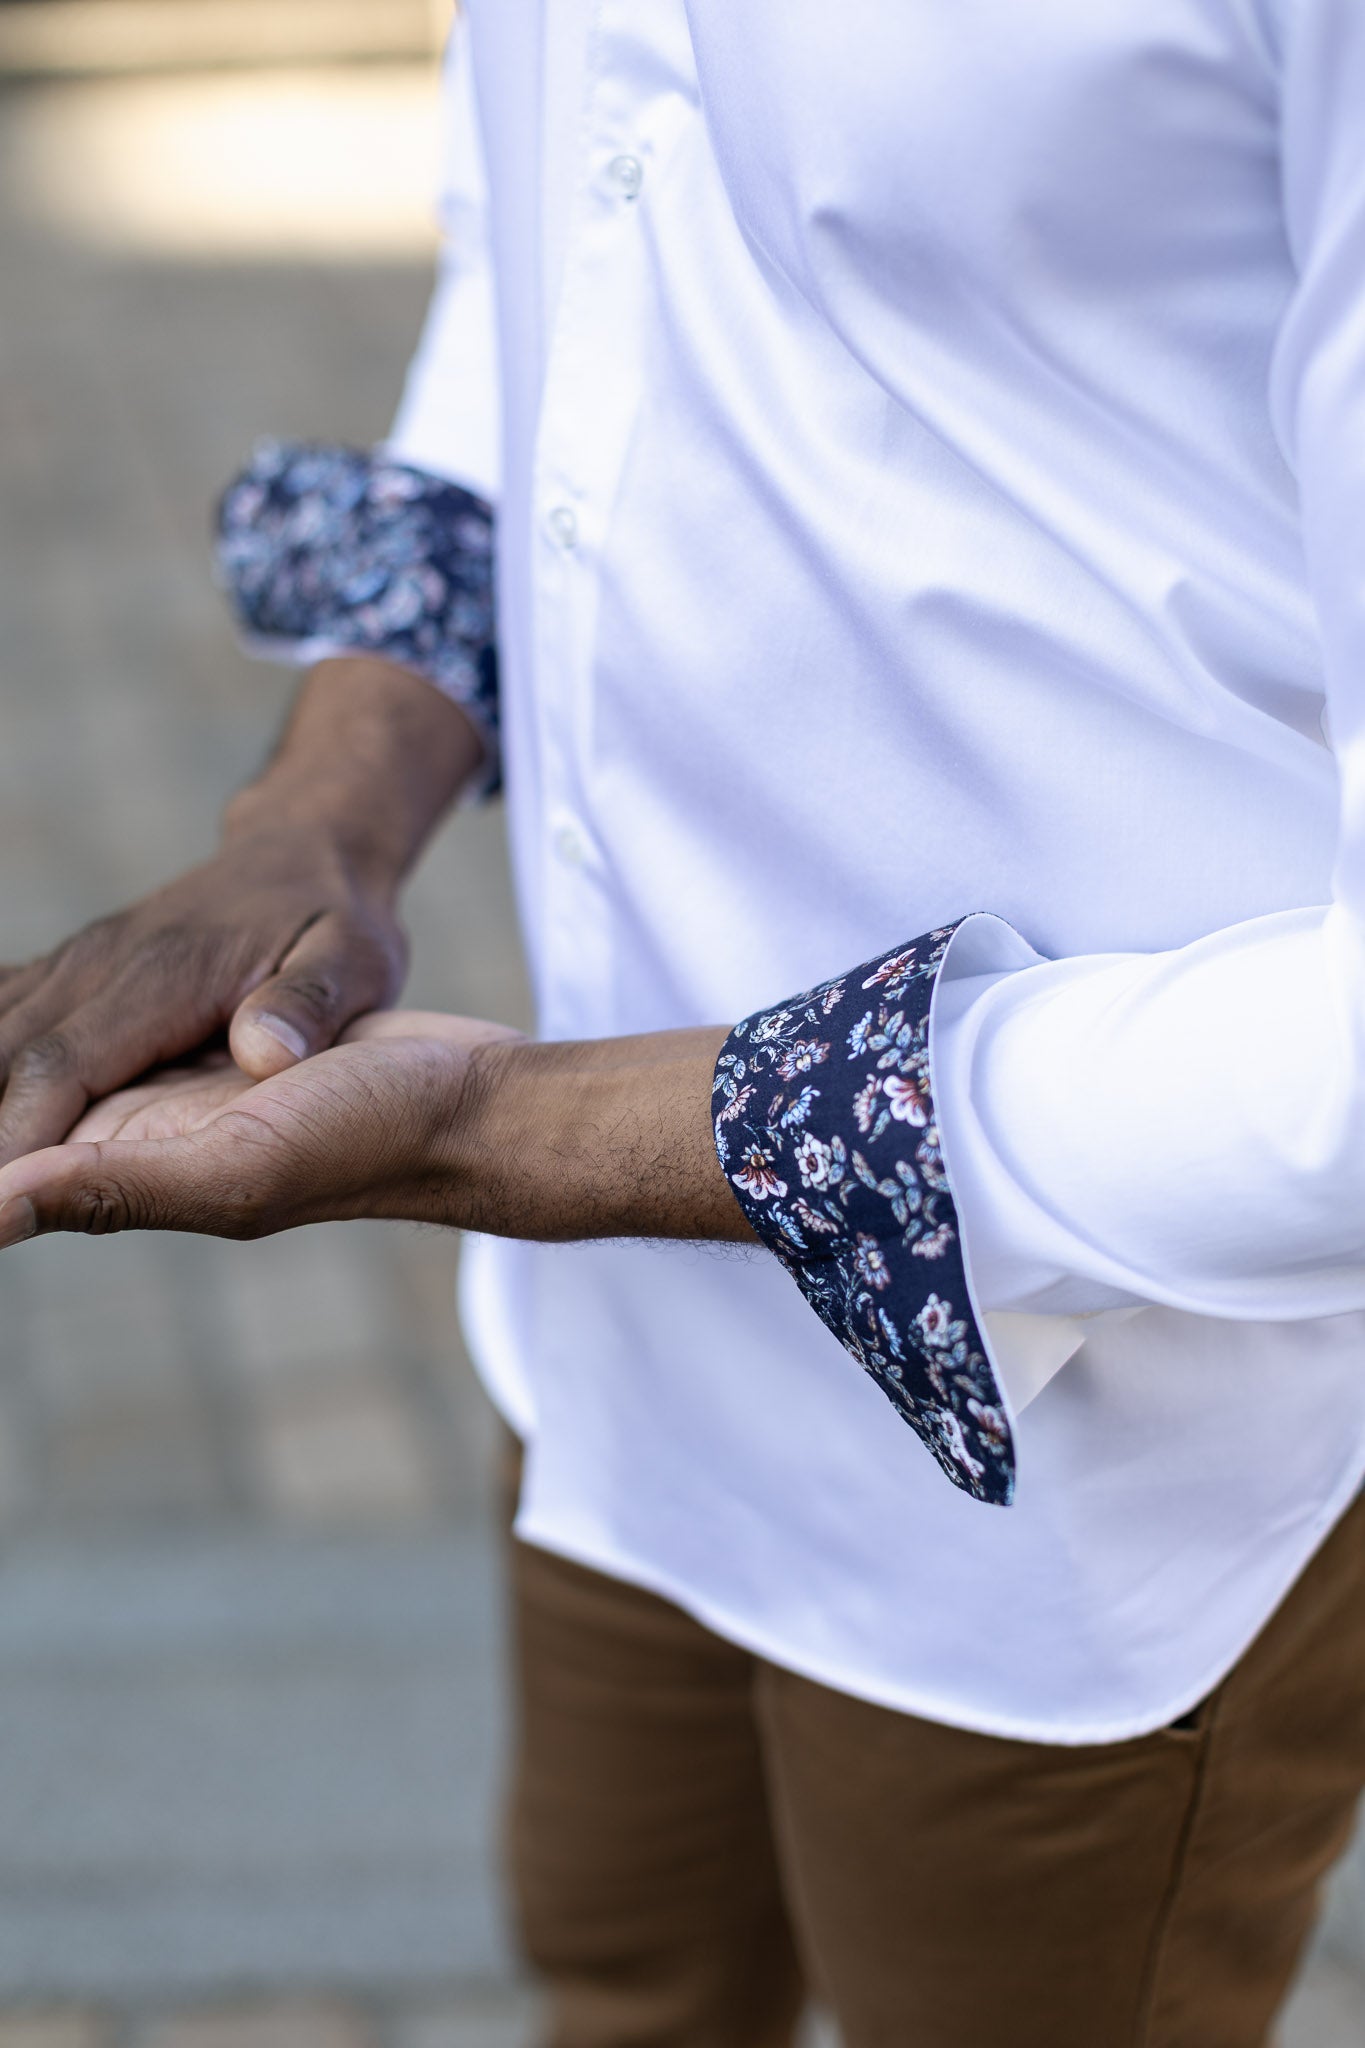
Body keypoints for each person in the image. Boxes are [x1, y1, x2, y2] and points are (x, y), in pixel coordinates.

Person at [2, 2, 1365, 2040]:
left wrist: (518, 1133)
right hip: (619, 1340)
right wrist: (321, 813)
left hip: (1098, 1442)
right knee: (628, 1982)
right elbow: (570, 236)